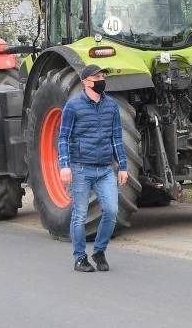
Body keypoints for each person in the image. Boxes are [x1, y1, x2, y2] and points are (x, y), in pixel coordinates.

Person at [57, 64, 128, 273]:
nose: (101, 79)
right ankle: (80, 258)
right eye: (97, 76)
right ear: (86, 82)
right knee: (80, 215)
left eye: (103, 75)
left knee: (112, 211)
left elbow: (116, 138)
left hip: (105, 169)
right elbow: (64, 137)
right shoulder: (73, 106)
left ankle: (99, 251)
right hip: (80, 169)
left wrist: (122, 166)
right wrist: (64, 166)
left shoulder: (111, 106)